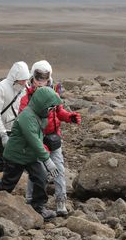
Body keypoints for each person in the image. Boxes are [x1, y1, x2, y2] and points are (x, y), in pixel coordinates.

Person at [19, 60, 81, 217]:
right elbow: (25, 123)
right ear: (32, 77)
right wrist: (39, 145)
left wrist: (69, 117)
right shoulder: (26, 98)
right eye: (38, 78)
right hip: (37, 140)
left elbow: (59, 111)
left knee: (59, 169)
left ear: (49, 78)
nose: (41, 82)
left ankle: (61, 201)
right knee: (37, 171)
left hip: (54, 138)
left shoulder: (53, 93)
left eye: (44, 78)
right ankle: (31, 200)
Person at [0, 86, 62, 221]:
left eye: (53, 108)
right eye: (50, 107)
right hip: (16, 156)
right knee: (8, 183)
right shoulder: (27, 116)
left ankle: (38, 207)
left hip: (30, 156)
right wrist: (47, 160)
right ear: (42, 104)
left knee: (41, 178)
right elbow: (33, 140)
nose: (52, 110)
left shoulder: (40, 115)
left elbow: (39, 136)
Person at [0, 61, 31, 174]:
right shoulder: (1, 88)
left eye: (26, 79)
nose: (25, 82)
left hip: (18, 128)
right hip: (4, 128)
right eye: (22, 79)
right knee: (5, 158)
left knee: (16, 159)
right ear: (15, 77)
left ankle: (7, 181)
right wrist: (2, 134)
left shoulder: (25, 88)